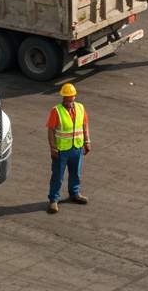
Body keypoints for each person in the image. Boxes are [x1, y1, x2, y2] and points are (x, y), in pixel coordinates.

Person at [45, 82, 90, 214]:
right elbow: (51, 130)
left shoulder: (81, 108)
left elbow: (85, 125)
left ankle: (74, 194)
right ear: (63, 97)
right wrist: (53, 148)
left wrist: (87, 141)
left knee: (75, 173)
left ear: (74, 96)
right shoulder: (56, 111)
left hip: (77, 148)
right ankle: (53, 200)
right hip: (61, 150)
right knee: (58, 176)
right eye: (66, 97)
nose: (68, 100)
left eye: (71, 97)